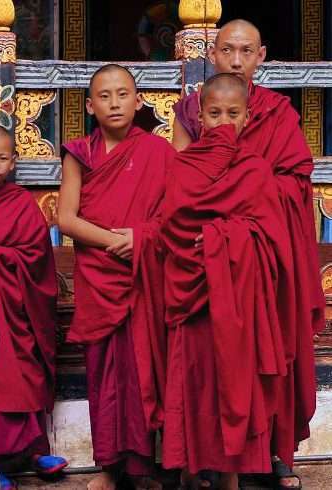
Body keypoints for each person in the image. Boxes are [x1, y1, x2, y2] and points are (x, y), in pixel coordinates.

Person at [172, 20, 324, 489]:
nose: (236, 60)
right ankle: (210, 455)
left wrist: (244, 201)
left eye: (246, 51)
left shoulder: (279, 114)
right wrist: (218, 220)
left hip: (263, 254)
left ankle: (276, 453)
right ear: (211, 54)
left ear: (262, 56)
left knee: (270, 351)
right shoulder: (191, 110)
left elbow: (294, 184)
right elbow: (180, 180)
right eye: (227, 51)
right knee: (213, 359)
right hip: (210, 258)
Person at [161, 73, 295, 490]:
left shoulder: (255, 170)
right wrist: (216, 238)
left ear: (247, 118)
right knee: (193, 384)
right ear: (198, 118)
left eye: (232, 114)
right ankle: (187, 471)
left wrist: (224, 239)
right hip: (192, 300)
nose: (222, 122)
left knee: (233, 384)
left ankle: (230, 478)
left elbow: (273, 241)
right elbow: (170, 226)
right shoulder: (180, 165)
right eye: (214, 113)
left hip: (237, 301)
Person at [58, 64, 173, 490]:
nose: (114, 103)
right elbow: (66, 219)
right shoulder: (79, 154)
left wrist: (142, 236)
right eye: (104, 96)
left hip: (144, 275)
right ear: (90, 106)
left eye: (122, 94)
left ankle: (144, 467)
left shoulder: (159, 153)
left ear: (139, 101)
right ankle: (108, 466)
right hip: (101, 276)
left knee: (144, 370)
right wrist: (115, 241)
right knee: (104, 373)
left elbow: (174, 217)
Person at [0, 124, 66, 489]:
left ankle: (36, 451)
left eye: (2, 158)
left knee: (25, 368)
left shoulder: (23, 203)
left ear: (13, 163)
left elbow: (37, 257)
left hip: (15, 304)